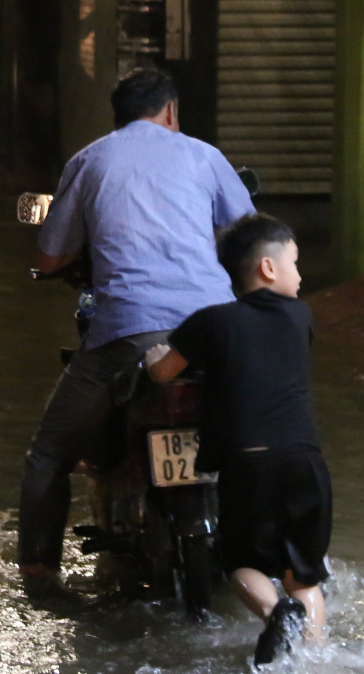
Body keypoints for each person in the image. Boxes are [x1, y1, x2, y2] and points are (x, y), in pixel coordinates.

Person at [18, 67, 254, 590]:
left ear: (117, 116)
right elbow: (249, 238)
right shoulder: (204, 155)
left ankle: (38, 578)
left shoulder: (91, 158)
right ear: (171, 112)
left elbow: (51, 254)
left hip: (128, 332)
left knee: (49, 454)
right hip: (215, 332)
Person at [146, 213, 329, 666]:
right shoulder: (301, 316)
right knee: (304, 577)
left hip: (249, 464)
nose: (300, 274)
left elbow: (162, 372)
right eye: (295, 262)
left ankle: (274, 613)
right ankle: (314, 662)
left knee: (240, 564)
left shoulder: (209, 322)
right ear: (269, 269)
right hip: (306, 462)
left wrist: (153, 358)